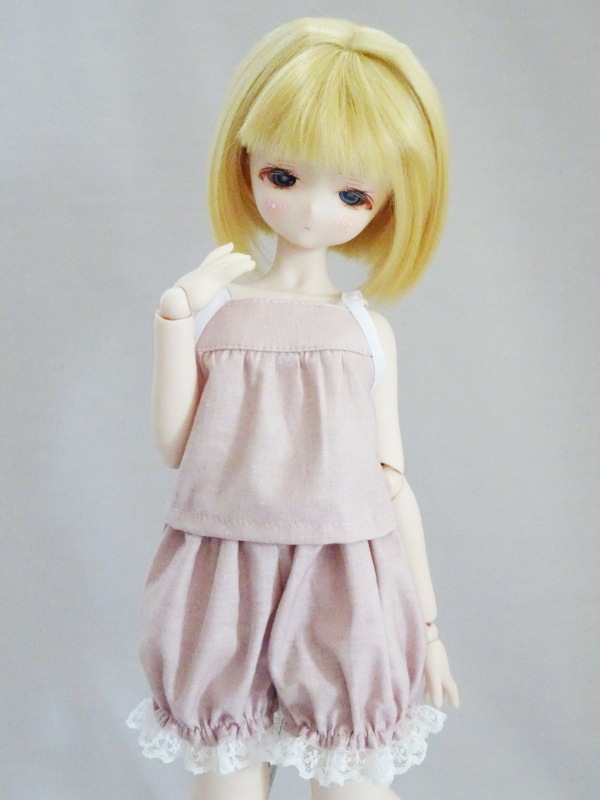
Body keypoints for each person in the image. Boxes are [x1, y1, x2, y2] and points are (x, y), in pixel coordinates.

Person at [128, 17, 459, 800]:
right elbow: (177, 446)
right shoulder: (217, 315)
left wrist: (428, 627)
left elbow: (392, 482)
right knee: (225, 782)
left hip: (342, 578)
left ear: (386, 205)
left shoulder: (365, 330)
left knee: (353, 783)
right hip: (225, 578)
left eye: (350, 193)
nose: (312, 211)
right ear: (245, 165)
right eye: (285, 177)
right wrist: (175, 318)